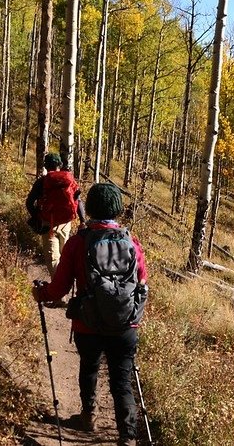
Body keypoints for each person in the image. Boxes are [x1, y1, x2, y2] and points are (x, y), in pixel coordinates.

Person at [31, 183, 148, 446]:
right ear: (118, 209)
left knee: (90, 367)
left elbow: (59, 287)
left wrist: (41, 293)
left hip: (88, 323)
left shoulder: (78, 242)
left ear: (91, 208)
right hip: (125, 323)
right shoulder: (132, 242)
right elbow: (141, 281)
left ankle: (89, 415)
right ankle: (127, 436)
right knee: (121, 379)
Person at [25, 153, 86, 276]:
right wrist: (83, 221)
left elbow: (29, 203)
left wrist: (37, 217)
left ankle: (59, 288)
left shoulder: (42, 182)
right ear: (60, 165)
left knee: (53, 260)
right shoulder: (69, 180)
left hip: (48, 224)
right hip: (66, 223)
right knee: (66, 256)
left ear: (46, 166)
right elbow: (78, 201)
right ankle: (67, 282)